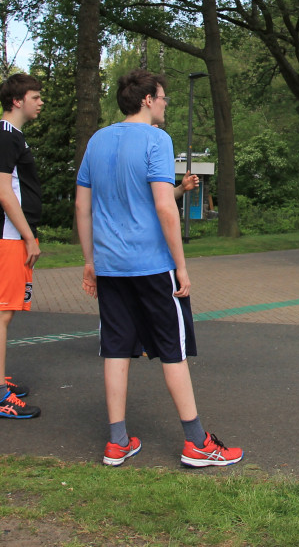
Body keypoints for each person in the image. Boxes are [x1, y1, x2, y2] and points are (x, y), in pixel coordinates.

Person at [76, 69, 244, 469]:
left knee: (115, 350)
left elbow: (83, 206)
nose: (167, 104)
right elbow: (164, 207)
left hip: (111, 266)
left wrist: (89, 262)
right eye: (164, 98)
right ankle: (197, 443)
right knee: (173, 351)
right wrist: (181, 266)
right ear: (148, 99)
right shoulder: (156, 139)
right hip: (152, 266)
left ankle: (117, 442)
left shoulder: (97, 141)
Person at [0, 73, 44, 419]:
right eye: (35, 96)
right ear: (17, 100)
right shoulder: (4, 137)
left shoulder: (13, 137)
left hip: (13, 234)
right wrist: (28, 237)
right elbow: (4, 193)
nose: (40, 102)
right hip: (8, 235)